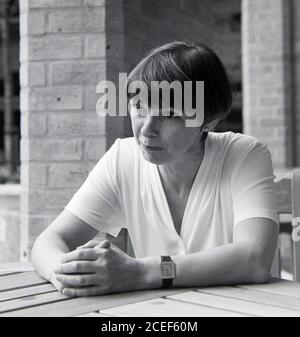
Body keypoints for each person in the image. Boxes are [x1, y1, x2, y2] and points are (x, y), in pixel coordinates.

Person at [31, 41, 279, 297]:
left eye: (169, 114)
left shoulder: (244, 155)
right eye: (139, 107)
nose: (147, 129)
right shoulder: (123, 158)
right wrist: (64, 273)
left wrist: (140, 272)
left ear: (208, 122)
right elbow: (48, 242)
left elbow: (255, 258)